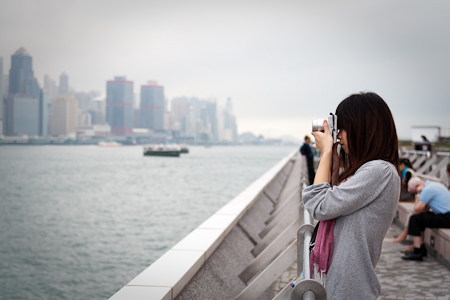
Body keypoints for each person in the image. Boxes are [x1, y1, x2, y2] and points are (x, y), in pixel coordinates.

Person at [302, 92, 400, 300]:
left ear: (363, 128)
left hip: (349, 290)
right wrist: (334, 172)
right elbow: (336, 209)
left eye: (343, 128)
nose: (338, 136)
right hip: (343, 286)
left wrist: (327, 153)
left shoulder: (379, 171)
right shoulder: (370, 171)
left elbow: (319, 205)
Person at [401, 177, 450, 261]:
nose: (416, 194)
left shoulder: (427, 189)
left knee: (414, 219)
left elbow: (416, 210)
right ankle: (421, 247)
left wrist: (419, 194)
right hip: (446, 216)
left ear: (417, 186)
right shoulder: (433, 185)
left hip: (447, 217)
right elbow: (423, 210)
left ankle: (417, 251)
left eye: (415, 192)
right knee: (420, 218)